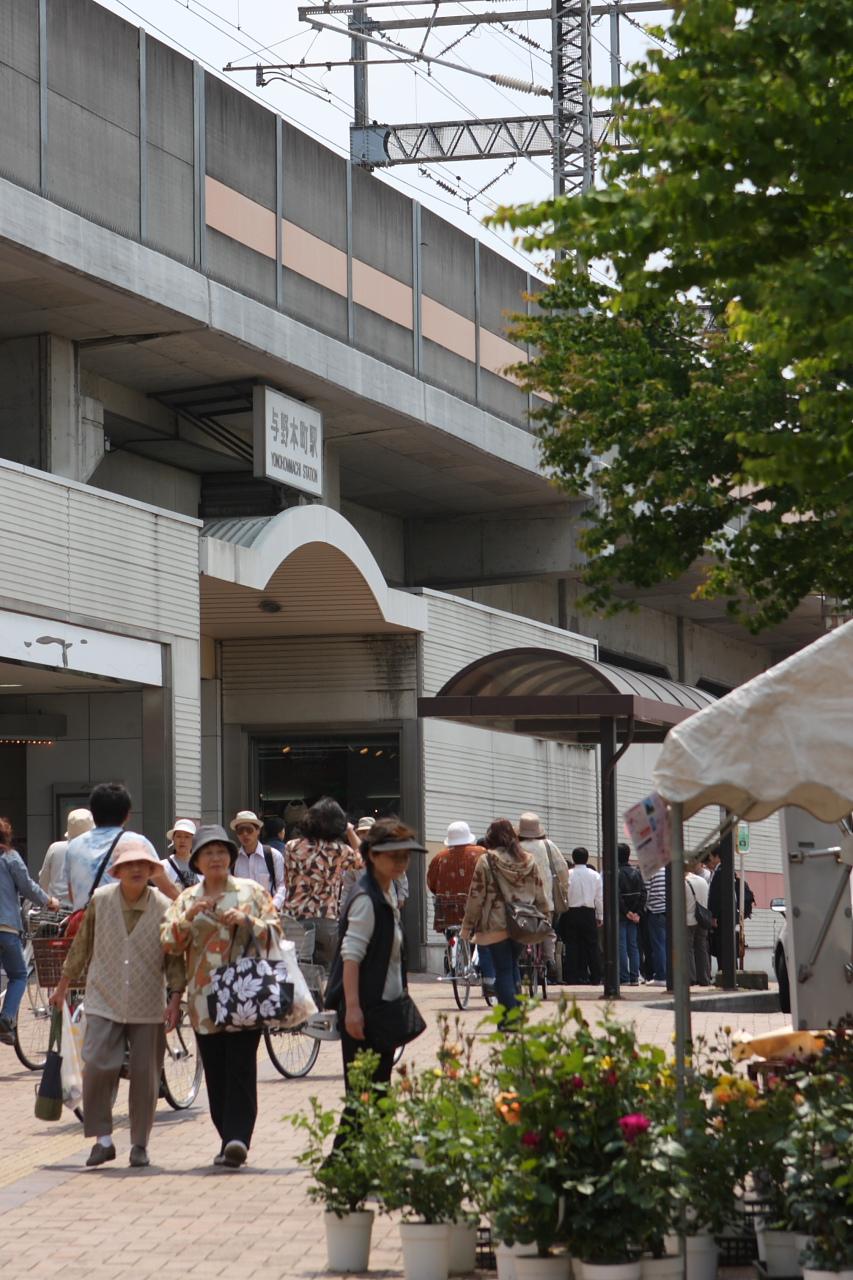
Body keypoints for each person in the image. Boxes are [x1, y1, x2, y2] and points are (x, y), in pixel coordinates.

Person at [50, 835, 183, 1168]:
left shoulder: (164, 907)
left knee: (145, 1075)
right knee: (96, 1065)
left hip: (147, 1002)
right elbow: (82, 945)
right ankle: (103, 1139)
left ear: (152, 870)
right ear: (118, 871)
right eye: (129, 865)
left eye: (143, 865)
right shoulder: (101, 900)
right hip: (103, 996)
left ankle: (139, 1144)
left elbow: (174, 960)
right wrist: (63, 985)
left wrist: (176, 999)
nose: (136, 870)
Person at [161, 824, 282, 1169]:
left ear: (230, 857)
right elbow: (169, 944)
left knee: (242, 1066)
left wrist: (246, 920)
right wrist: (189, 916)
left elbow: (275, 933)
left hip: (246, 994)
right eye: (208, 853)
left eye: (221, 852)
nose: (215, 858)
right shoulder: (186, 898)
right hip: (203, 1000)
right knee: (216, 1072)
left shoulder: (252, 892)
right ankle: (227, 1137)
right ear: (196, 861)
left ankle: (237, 1138)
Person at [325, 818, 424, 1133]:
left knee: (375, 1094)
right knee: (365, 1096)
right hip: (366, 1012)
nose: (400, 861)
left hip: (379, 1009)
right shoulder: (367, 898)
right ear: (371, 855)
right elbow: (350, 956)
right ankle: (342, 1167)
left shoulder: (385, 892)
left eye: (405, 856)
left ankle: (363, 1166)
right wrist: (353, 1008)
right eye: (393, 855)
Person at [460, 817, 549, 1012]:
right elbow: (539, 891)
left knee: (503, 970)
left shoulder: (486, 860)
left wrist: (467, 927)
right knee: (512, 966)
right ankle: (517, 1011)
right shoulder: (528, 860)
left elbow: (476, 895)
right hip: (522, 922)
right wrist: (544, 916)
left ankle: (510, 1017)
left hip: (495, 923)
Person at [64, 783, 178, 908]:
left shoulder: (73, 846)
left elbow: (72, 896)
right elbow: (167, 889)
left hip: (84, 923)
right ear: (127, 815)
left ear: (93, 813)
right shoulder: (137, 843)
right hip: (122, 924)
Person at [284, 797, 362, 969]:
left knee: (297, 970)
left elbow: (286, 879)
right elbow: (363, 860)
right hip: (326, 919)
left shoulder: (291, 846)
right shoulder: (339, 850)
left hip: (295, 918)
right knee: (331, 969)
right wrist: (350, 831)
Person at [0, 817, 59, 1044]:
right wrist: (49, 901)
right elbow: (27, 886)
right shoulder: (10, 857)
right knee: (19, 975)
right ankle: (6, 1020)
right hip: (6, 926)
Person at [426, 820, 494, 986]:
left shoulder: (439, 857)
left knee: (452, 931)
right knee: (481, 937)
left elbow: (431, 883)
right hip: (476, 909)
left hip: (448, 910)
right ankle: (482, 972)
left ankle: (453, 962)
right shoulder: (482, 853)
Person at [517, 812, 570, 983]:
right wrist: (564, 887)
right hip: (545, 900)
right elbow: (562, 869)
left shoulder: (514, 848)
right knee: (547, 930)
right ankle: (549, 960)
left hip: (521, 900)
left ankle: (523, 959)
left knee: (521, 930)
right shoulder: (548, 845)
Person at [558, 846, 603, 985]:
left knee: (572, 946)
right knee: (592, 945)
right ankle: (596, 977)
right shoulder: (595, 875)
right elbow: (599, 898)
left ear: (573, 858)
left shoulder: (567, 874)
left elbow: (563, 894)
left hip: (571, 912)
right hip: (589, 912)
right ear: (587, 858)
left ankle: (572, 977)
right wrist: (600, 915)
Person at [230, 810, 286, 912]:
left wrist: (273, 906)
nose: (245, 834)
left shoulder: (273, 855)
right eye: (240, 831)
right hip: (242, 916)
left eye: (249, 830)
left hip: (269, 915)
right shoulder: (233, 859)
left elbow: (282, 885)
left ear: (258, 831)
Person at [39, 808, 93, 903]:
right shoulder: (95, 852)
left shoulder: (55, 848)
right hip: (83, 908)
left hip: (56, 909)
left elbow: (44, 880)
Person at [618, 842, 646, 986]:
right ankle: (635, 976)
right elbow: (643, 893)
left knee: (621, 946)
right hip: (635, 916)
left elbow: (617, 896)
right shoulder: (637, 873)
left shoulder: (616, 873)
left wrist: (626, 912)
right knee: (633, 946)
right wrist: (637, 913)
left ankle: (624, 977)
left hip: (622, 916)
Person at [685, 863, 712, 986]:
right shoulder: (702, 881)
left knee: (688, 949)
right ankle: (705, 978)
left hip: (688, 920)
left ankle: (691, 977)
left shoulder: (684, 883)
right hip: (703, 919)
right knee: (702, 949)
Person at [644, 865, 668, 985]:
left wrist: (644, 908)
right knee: (668, 945)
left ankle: (661, 976)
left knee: (659, 945)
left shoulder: (651, 870)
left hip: (656, 911)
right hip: (670, 910)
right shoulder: (669, 870)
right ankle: (669, 974)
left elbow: (646, 892)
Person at [161, 818, 199, 890]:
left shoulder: (202, 866)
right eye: (178, 836)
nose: (182, 840)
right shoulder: (163, 866)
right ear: (173, 839)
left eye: (187, 837)